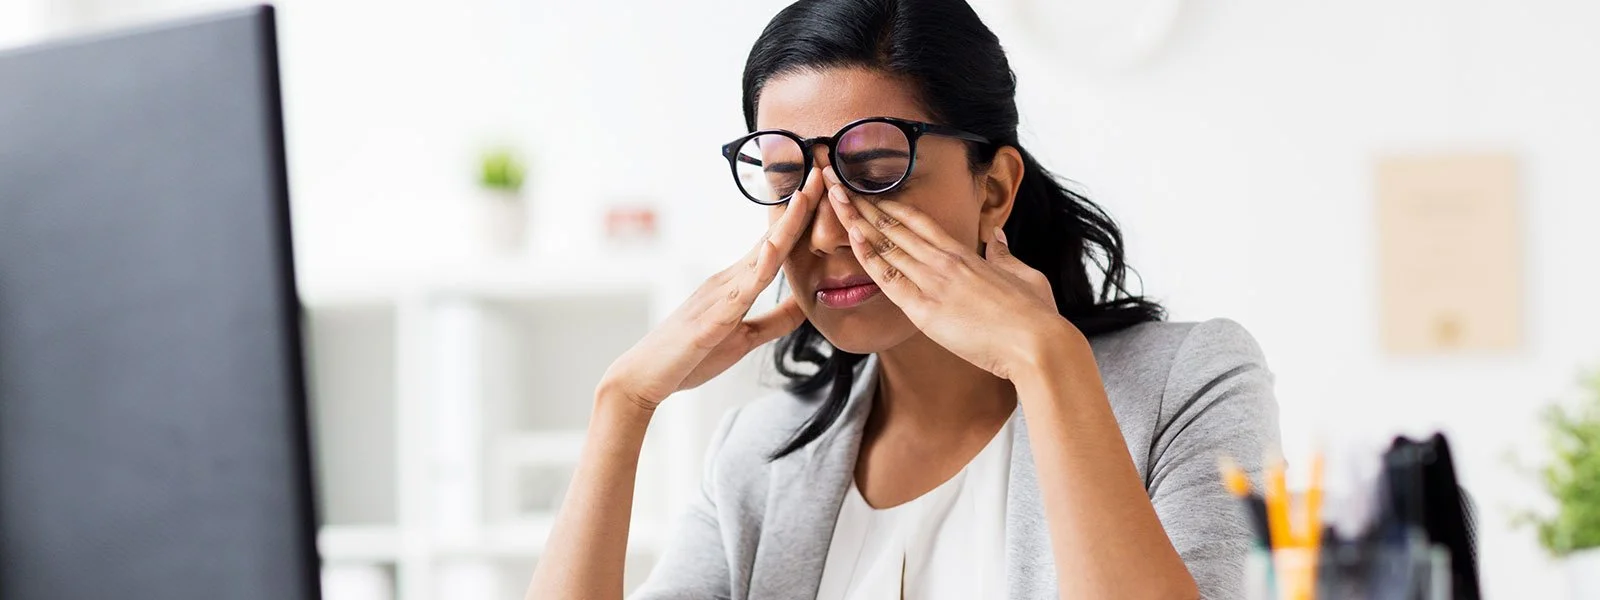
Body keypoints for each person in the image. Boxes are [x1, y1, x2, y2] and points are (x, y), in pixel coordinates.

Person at [526, 0, 1280, 598]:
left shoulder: (1190, 383)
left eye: (876, 170)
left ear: (994, 189)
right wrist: (622, 404)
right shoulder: (759, 457)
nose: (824, 232)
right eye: (789, 180)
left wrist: (1048, 362)